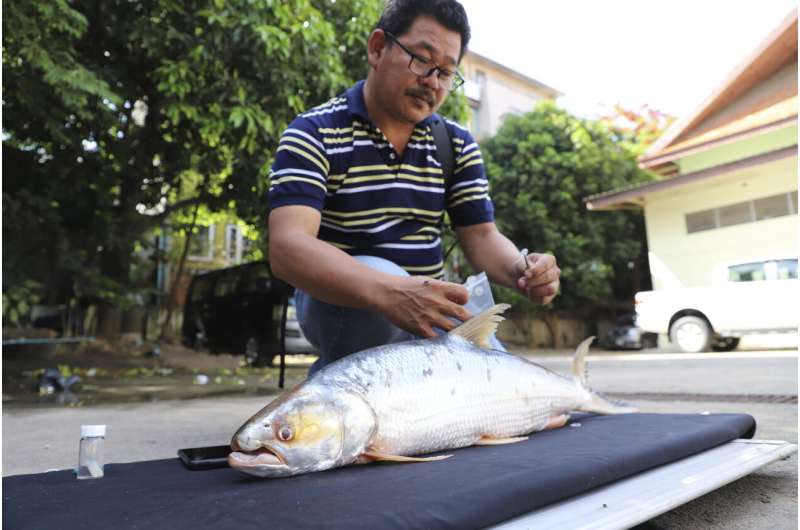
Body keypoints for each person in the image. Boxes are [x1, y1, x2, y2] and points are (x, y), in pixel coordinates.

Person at [268, 0, 560, 375]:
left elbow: (483, 237)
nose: (432, 82)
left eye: (445, 73)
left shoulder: (455, 144)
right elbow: (288, 248)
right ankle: (345, 385)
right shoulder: (314, 133)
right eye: (422, 60)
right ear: (377, 48)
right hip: (344, 305)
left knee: (503, 380)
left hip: (428, 311)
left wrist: (525, 269)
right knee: (377, 270)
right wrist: (395, 292)